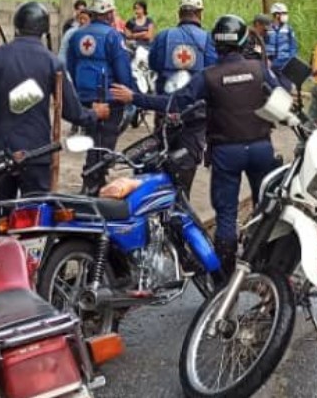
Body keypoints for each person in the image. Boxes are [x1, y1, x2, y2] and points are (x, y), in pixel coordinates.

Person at [118, 15, 279, 275]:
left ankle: (225, 277)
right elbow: (281, 96)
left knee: (226, 214)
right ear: (242, 41)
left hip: (227, 152)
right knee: (266, 206)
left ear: (216, 44)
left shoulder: (209, 76)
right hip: (262, 148)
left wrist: (135, 98)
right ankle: (266, 265)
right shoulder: (259, 69)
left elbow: (175, 103)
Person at [0, 2, 108, 201]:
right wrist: (94, 114)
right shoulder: (52, 62)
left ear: (16, 26)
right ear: (44, 31)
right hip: (37, 152)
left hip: (1, 150)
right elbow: (71, 112)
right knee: (36, 216)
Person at [144, 0, 217, 193]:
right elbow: (213, 73)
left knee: (162, 156)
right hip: (195, 115)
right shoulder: (208, 40)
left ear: (180, 13)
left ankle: (162, 200)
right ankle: (181, 201)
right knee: (187, 162)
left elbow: (153, 64)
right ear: (199, 13)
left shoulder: (164, 36)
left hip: (165, 110)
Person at [66, 0, 136, 190]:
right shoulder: (114, 36)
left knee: (92, 136)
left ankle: (91, 178)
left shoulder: (77, 34)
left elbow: (71, 66)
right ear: (108, 13)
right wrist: (128, 93)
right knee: (106, 139)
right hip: (109, 97)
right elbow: (122, 69)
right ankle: (95, 179)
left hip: (86, 97)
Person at [265, 2, 298, 83]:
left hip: (285, 63)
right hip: (270, 64)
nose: (286, 15)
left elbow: (293, 46)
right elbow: (262, 44)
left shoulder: (288, 29)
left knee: (286, 87)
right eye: (284, 13)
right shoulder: (267, 28)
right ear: (276, 15)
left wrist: (290, 61)